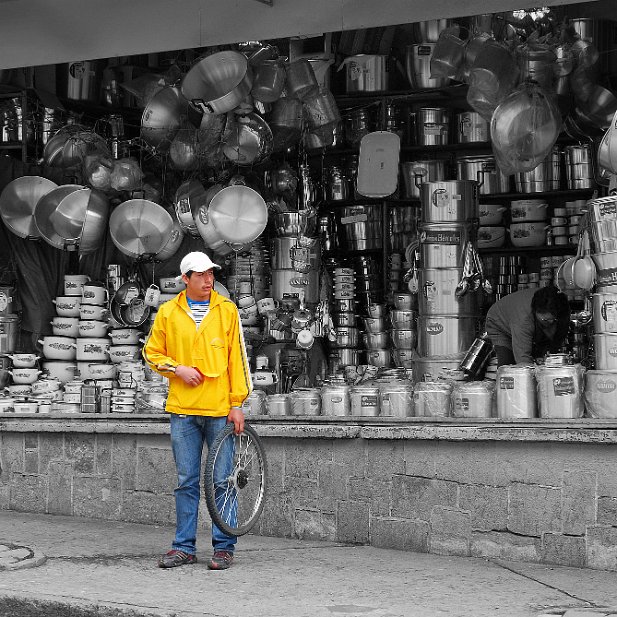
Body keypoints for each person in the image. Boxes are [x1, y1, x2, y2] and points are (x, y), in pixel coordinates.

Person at [143, 251, 252, 570]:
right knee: (186, 480)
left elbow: (238, 359)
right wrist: (177, 369)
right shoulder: (167, 312)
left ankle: (224, 547)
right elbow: (151, 354)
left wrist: (237, 404)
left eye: (211, 274)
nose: (208, 280)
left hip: (220, 409)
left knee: (223, 481)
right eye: (200, 275)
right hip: (183, 410)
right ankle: (183, 547)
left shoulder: (227, 310)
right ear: (185, 279)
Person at [484, 285, 570, 367]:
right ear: (535, 311)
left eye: (553, 320)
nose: (550, 323)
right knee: (507, 363)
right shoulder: (524, 320)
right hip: (498, 323)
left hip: (530, 320)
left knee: (549, 358)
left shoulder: (562, 307)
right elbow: (523, 358)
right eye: (546, 320)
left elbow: (558, 338)